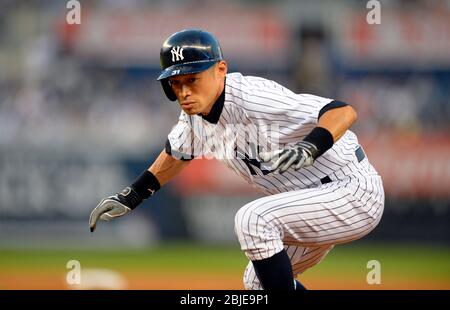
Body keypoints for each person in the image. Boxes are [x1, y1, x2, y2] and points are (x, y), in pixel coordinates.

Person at [89, 29, 384, 290]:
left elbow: (343, 111)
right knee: (255, 283)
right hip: (309, 200)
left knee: (253, 220)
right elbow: (175, 156)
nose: (185, 91)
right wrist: (132, 196)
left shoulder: (252, 97)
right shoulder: (194, 120)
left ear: (220, 70)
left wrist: (309, 147)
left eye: (193, 78)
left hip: (350, 189)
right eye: (176, 83)